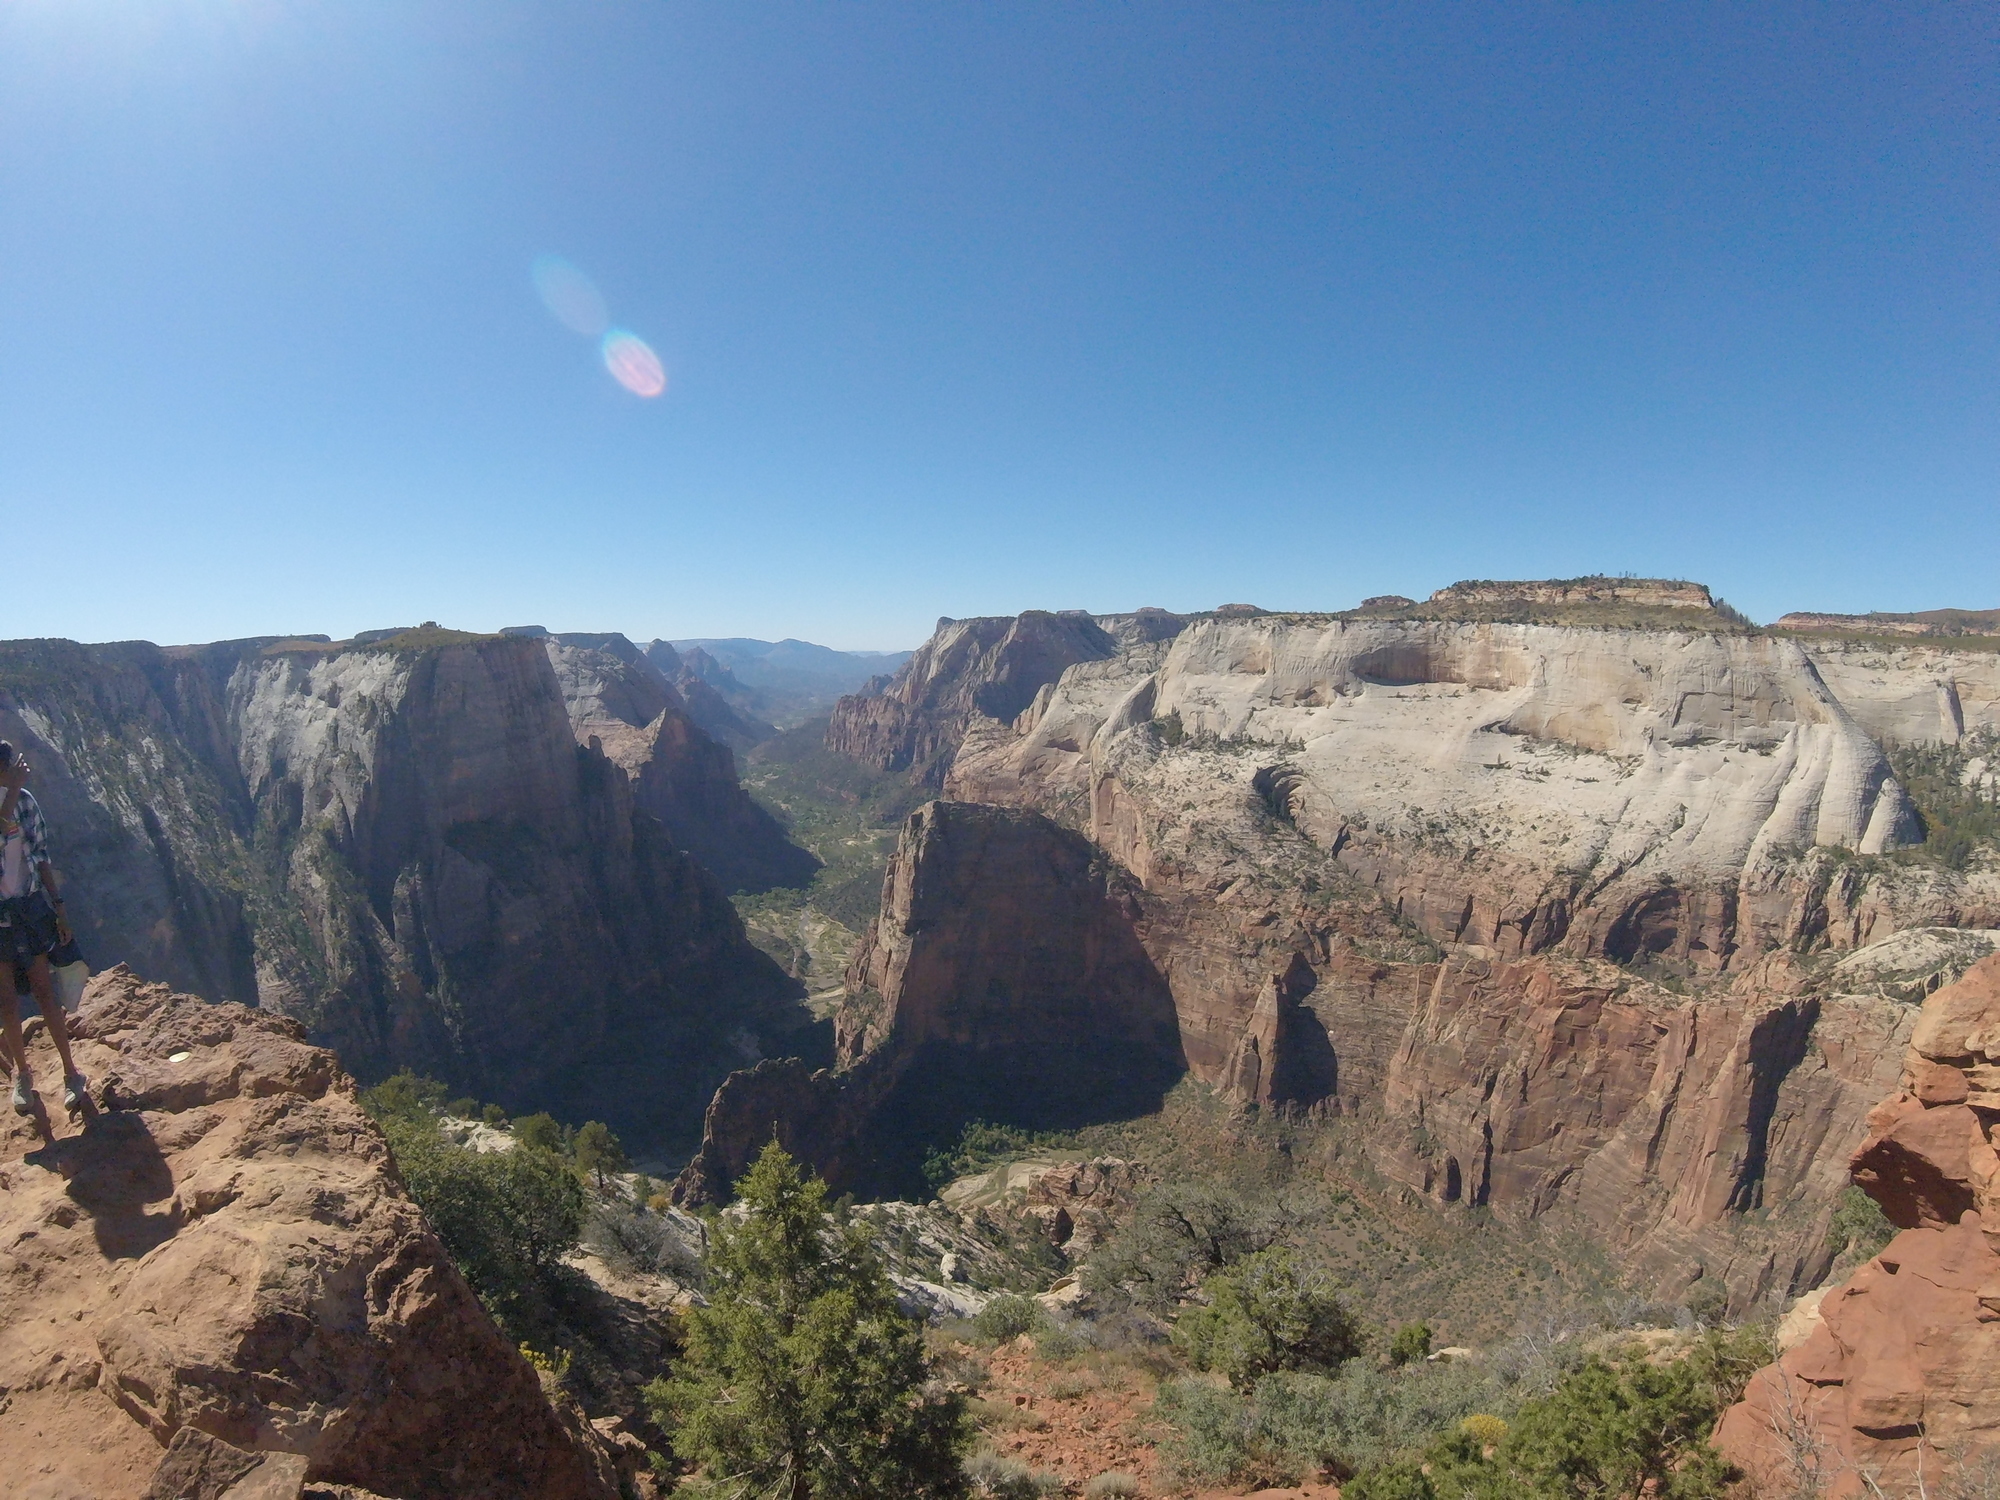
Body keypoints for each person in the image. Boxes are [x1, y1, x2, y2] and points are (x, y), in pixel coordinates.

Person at [0, 742, 86, 1114]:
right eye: (13, 765)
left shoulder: (26, 803)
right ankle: (23, 1076)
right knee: (6, 1001)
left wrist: (59, 906)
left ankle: (71, 1074)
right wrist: (13, 789)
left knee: (43, 991)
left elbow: (41, 854)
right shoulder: (16, 797)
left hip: (29, 907)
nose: (21, 767)